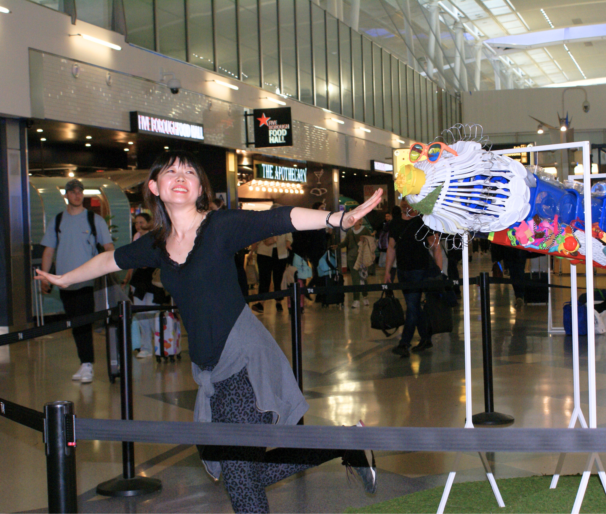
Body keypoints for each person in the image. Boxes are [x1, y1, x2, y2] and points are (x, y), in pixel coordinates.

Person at [35, 151, 382, 514]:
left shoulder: (219, 226)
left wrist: (337, 219)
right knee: (244, 475)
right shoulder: (157, 244)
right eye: (171, 171)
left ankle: (347, 442)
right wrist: (64, 278)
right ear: (154, 187)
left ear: (200, 187)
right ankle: (347, 441)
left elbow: (279, 219)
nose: (181, 176)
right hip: (210, 372)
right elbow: (111, 259)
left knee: (241, 480)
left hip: (244, 361)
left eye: (189, 171)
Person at [39, 179, 115, 384]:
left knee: (83, 321)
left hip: (87, 281)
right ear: (67, 195)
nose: (77, 195)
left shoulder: (94, 220)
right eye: (72, 192)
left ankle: (87, 363)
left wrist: (119, 265)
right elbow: (48, 251)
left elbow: (108, 247)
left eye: (80, 191)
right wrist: (45, 277)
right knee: (75, 322)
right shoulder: (57, 221)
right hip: (65, 282)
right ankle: (84, 363)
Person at [384, 199, 443, 357]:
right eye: (404, 201)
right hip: (403, 270)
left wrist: (439, 269)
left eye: (410, 202)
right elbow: (391, 248)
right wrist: (387, 271)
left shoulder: (423, 222)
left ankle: (404, 343)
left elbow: (435, 245)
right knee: (414, 306)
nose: (406, 205)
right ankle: (426, 338)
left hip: (419, 270)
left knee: (411, 307)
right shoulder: (395, 223)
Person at [122, 213, 158, 358]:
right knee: (141, 313)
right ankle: (146, 346)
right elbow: (132, 259)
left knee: (152, 313)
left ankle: (157, 345)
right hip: (138, 279)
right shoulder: (136, 238)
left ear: (149, 223)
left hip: (152, 279)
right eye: (137, 223)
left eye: (142, 222)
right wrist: (127, 277)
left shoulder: (155, 237)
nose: (139, 225)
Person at [251, 223, 292, 313]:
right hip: (264, 253)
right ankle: (261, 303)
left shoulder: (284, 224)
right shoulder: (264, 224)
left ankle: (278, 302)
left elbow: (289, 237)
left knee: (278, 278)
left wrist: (288, 243)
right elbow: (257, 238)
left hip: (281, 254)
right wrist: (251, 252)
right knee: (264, 278)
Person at [335, 218, 372, 308]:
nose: (354, 222)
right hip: (352, 258)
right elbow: (346, 242)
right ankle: (356, 300)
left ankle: (365, 296)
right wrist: (337, 246)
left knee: (363, 278)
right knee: (355, 279)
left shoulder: (365, 230)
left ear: (360, 221)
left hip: (362, 257)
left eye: (357, 220)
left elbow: (370, 242)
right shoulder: (350, 232)